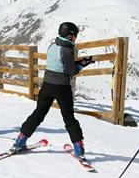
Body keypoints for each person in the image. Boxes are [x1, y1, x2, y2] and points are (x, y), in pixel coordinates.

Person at [11, 22, 95, 157]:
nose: (75, 39)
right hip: (62, 87)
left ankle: (20, 141)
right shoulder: (67, 50)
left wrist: (79, 62)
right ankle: (79, 149)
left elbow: (58, 63)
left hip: (47, 86)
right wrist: (82, 64)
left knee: (38, 114)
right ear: (69, 36)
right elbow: (71, 71)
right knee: (69, 118)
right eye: (74, 36)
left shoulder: (52, 46)